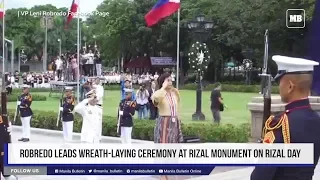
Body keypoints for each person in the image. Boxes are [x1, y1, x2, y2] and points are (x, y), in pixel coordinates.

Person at [251, 55, 320, 180]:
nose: (279, 87)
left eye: (280, 82)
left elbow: (260, 176)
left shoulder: (279, 124)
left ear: (290, 86)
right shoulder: (317, 120)